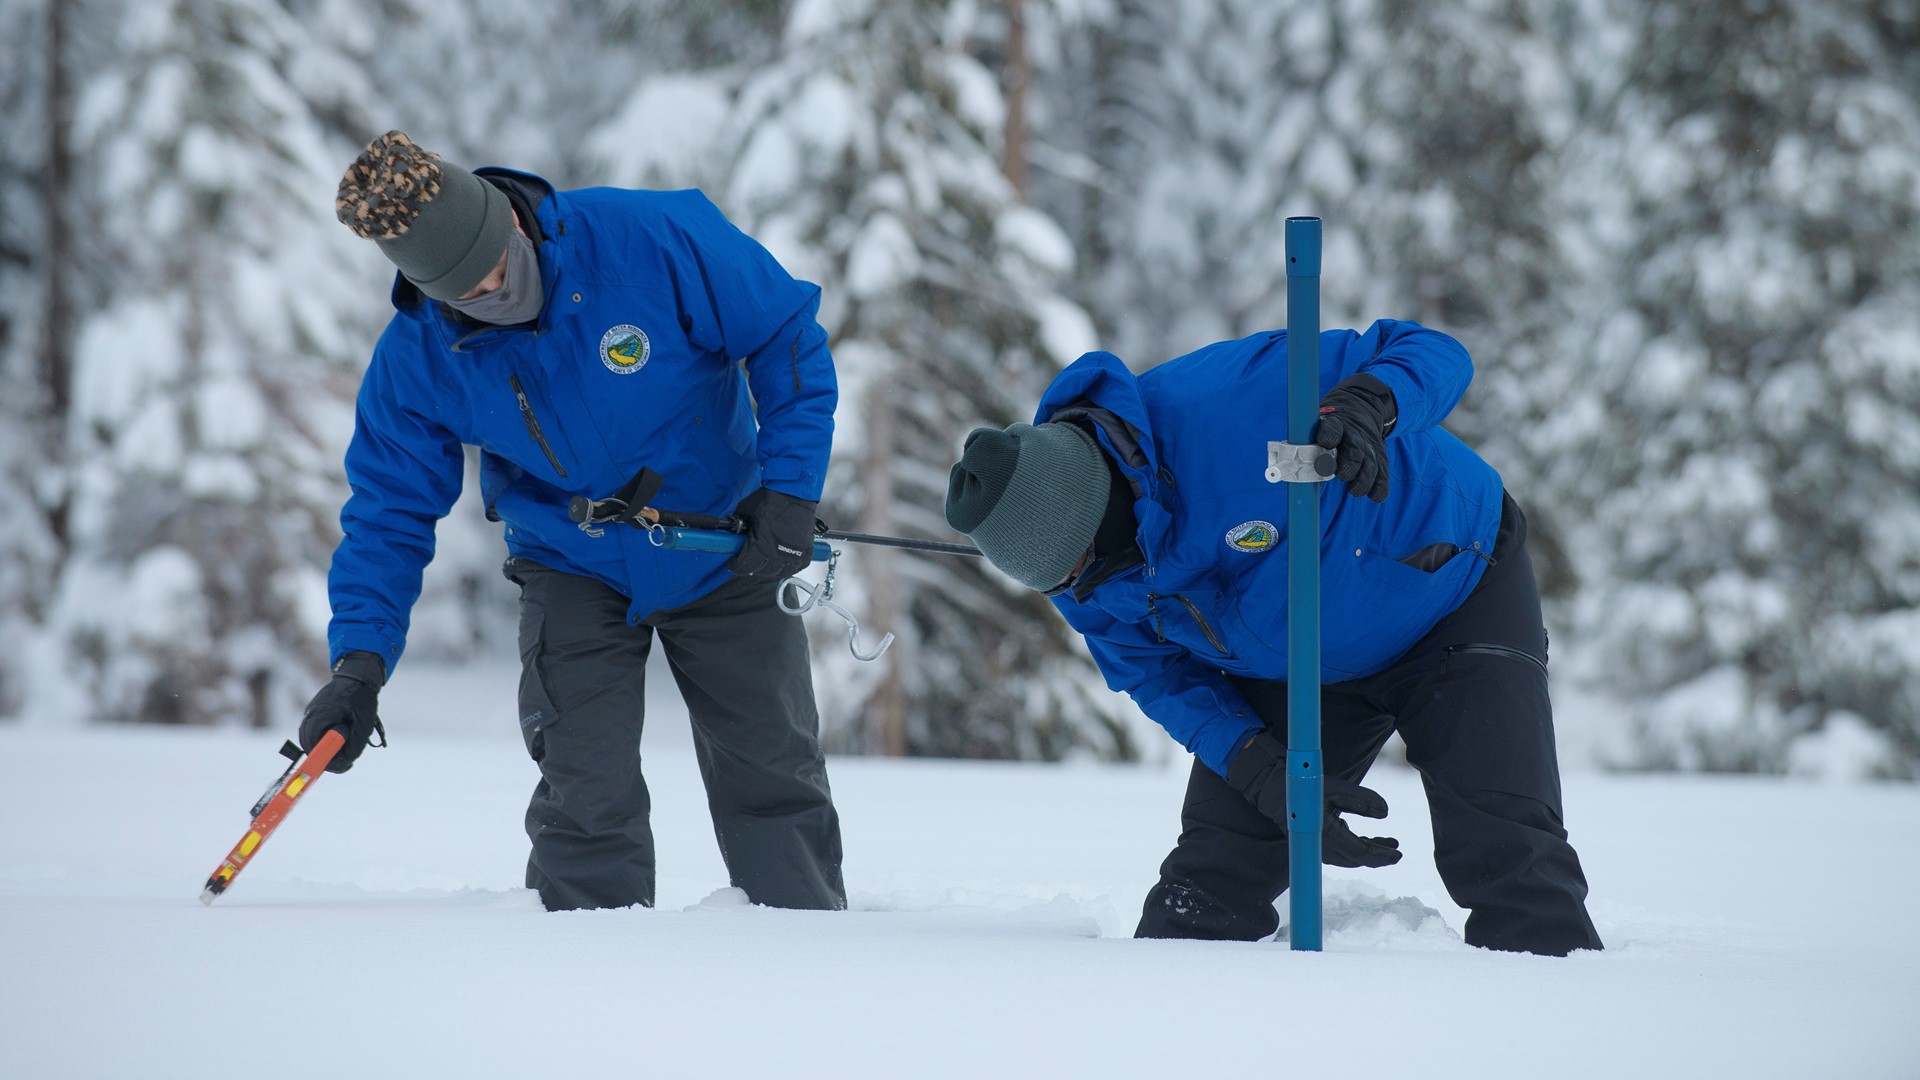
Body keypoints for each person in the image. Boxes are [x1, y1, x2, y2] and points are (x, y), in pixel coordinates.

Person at [299, 131, 845, 913]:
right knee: (585, 789)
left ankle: (805, 960)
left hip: (726, 542)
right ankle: (587, 987)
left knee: (774, 772)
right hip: (571, 562)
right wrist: (358, 663)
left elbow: (786, 333)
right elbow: (388, 512)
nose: (497, 292)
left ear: (514, 221)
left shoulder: (650, 240)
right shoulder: (419, 356)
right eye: (471, 293)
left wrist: (790, 494)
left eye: (500, 266)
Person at [944, 319, 1603, 955]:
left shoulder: (1232, 402)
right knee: (1206, 887)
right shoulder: (1083, 581)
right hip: (1292, 659)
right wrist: (1261, 769)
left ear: (1093, 509)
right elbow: (1159, 677)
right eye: (1056, 583)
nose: (1072, 590)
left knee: (1509, 860)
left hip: (1450, 588)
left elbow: (1433, 349)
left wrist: (1370, 403)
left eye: (1075, 566)